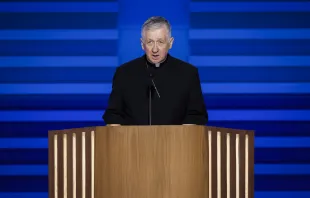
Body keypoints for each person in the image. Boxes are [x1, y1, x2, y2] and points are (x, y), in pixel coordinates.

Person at [102, 16, 208, 126]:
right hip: (133, 141)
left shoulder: (188, 73)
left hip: (176, 142)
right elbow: (113, 115)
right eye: (150, 42)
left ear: (170, 43)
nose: (155, 49)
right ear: (142, 44)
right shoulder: (124, 73)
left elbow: (196, 115)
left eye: (160, 42)